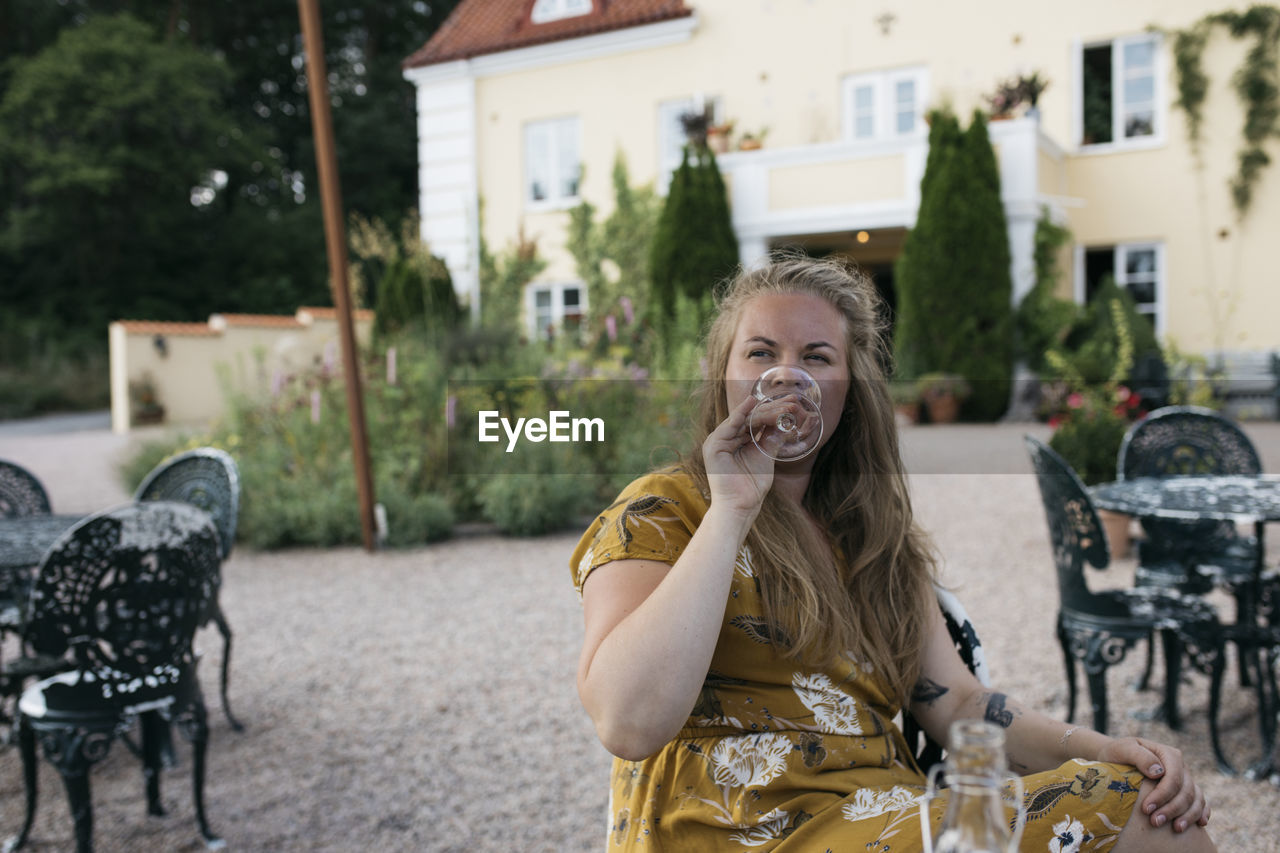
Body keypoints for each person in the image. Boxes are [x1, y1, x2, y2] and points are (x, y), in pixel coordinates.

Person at [570, 254, 1217, 851]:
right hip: (731, 828)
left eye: (817, 357)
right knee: (1131, 812)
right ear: (724, 372)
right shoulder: (665, 509)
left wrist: (1107, 750)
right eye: (760, 351)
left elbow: (961, 705)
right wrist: (732, 509)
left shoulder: (871, 537)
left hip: (889, 816)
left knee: (1145, 801)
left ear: (849, 390)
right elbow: (628, 721)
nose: (784, 375)